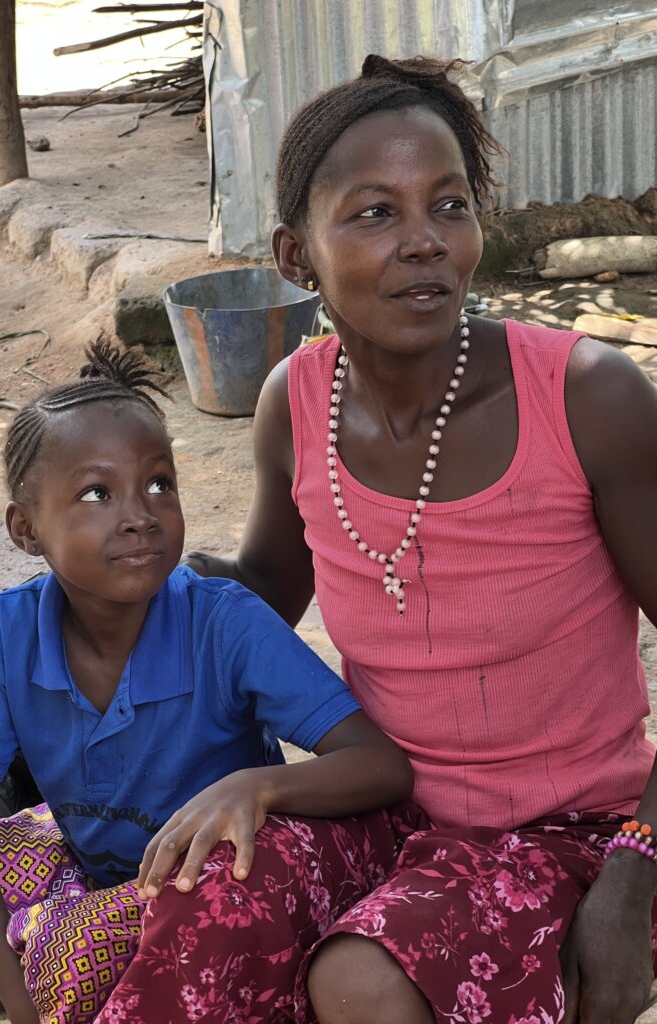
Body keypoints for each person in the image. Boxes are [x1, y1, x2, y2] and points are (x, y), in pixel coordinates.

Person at [181, 54, 657, 1024]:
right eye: (374, 213)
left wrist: (634, 875)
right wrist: (138, 592)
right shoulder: (295, 402)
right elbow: (267, 591)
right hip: (381, 805)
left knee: (356, 980)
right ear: (294, 254)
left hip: (576, 829)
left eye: (447, 206)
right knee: (191, 908)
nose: (424, 243)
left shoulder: (588, 397)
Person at [0, 341, 414, 1024]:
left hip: (221, 885)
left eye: (159, 484)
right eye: (96, 494)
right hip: (105, 879)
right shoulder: (14, 631)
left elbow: (381, 766)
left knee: (115, 936)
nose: (139, 514)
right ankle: (80, 982)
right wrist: (22, 1005)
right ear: (26, 532)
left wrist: (258, 785)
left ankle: (113, 977)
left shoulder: (222, 621)